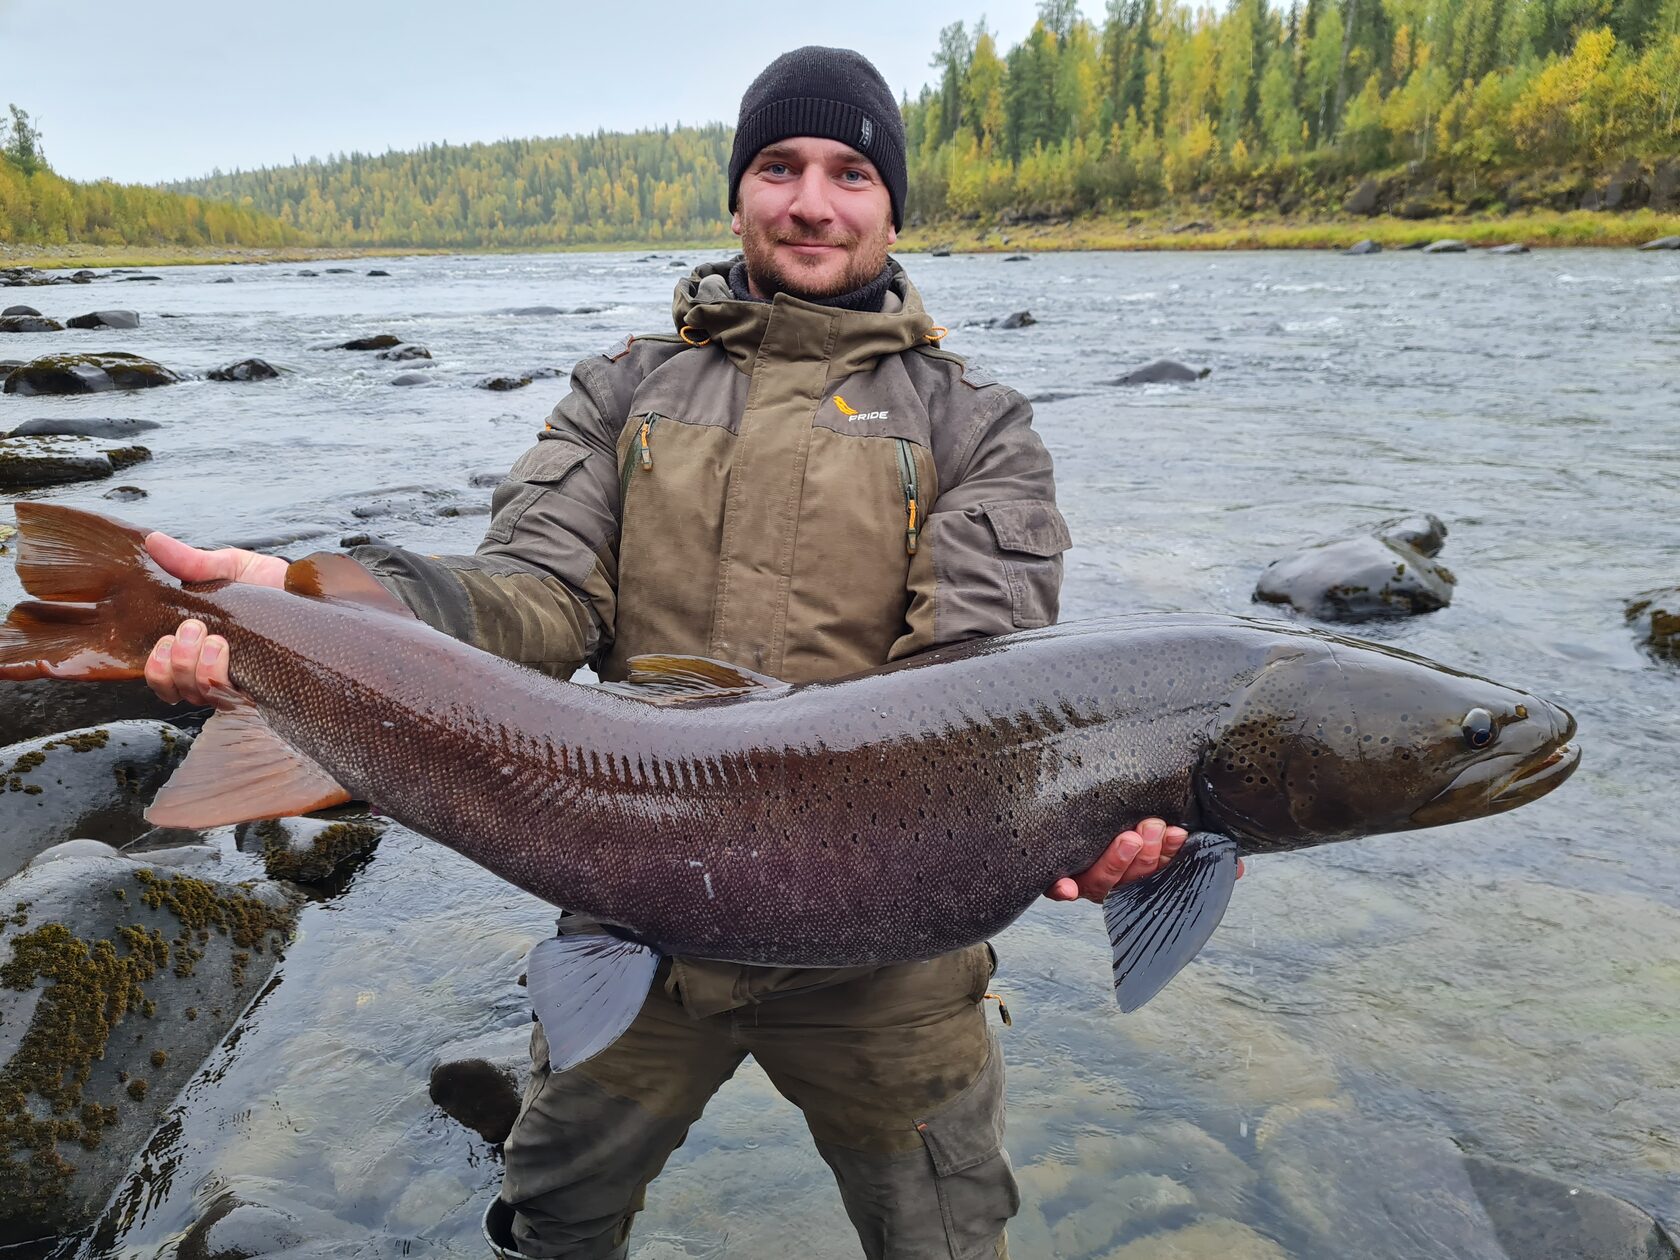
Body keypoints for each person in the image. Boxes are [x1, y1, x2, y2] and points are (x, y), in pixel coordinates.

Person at [142, 46, 1189, 1260]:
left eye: (850, 172)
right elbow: (536, 599)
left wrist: (1095, 814)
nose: (811, 199)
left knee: (947, 1241)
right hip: (637, 934)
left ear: (893, 203)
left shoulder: (977, 426)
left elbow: (981, 687)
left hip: (891, 975)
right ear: (738, 190)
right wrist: (304, 609)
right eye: (780, 165)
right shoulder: (623, 393)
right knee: (555, 1221)